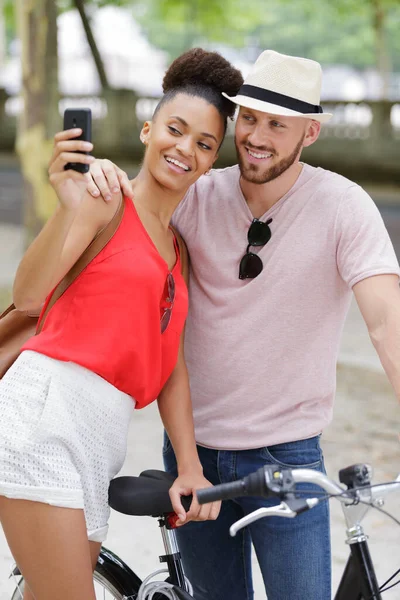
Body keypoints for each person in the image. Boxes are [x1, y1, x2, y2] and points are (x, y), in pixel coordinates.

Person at [87, 49, 400, 600]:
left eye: (278, 124)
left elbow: (385, 321)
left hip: (289, 460)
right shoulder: (197, 194)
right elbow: (128, 220)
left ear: (311, 131)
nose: (257, 136)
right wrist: (102, 176)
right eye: (249, 117)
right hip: (192, 453)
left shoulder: (344, 207)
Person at [0, 48, 243, 600]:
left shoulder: (178, 252)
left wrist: (190, 466)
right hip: (45, 415)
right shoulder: (105, 199)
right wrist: (66, 204)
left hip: (102, 437)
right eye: (175, 130)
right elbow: (30, 294)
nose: (186, 149)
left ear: (211, 161)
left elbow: (171, 364)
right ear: (146, 130)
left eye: (204, 144)